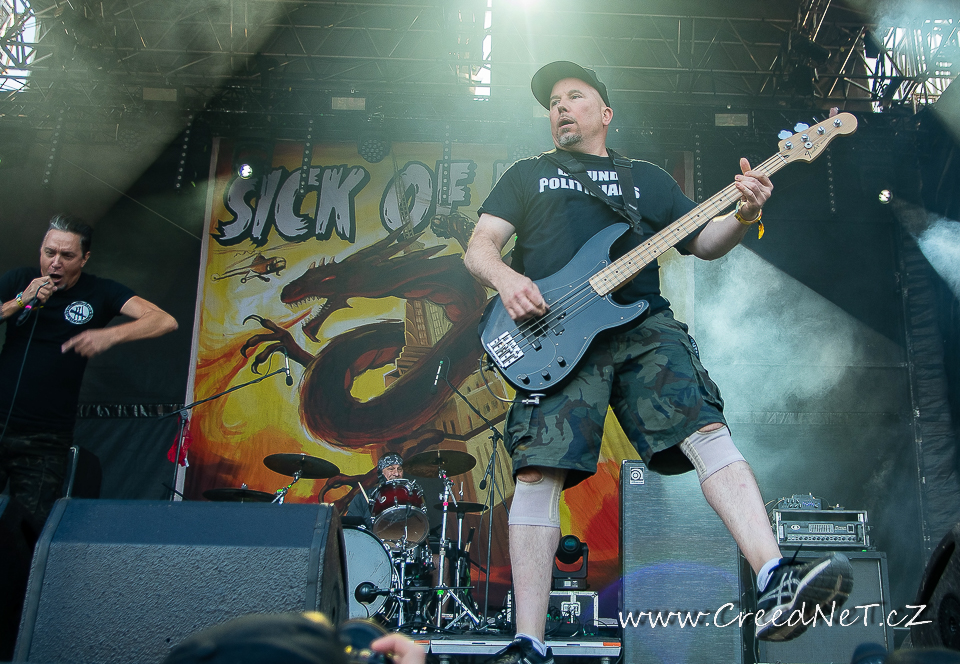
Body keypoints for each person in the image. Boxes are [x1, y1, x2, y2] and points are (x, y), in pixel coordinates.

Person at [463, 61, 854, 663]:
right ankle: (529, 641)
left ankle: (776, 577)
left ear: (604, 113)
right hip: (551, 334)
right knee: (538, 473)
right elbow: (479, 247)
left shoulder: (646, 179)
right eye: (553, 101)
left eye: (574, 96)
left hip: (641, 323)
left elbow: (705, 243)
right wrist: (508, 279)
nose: (560, 106)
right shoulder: (528, 174)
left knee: (707, 431)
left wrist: (745, 213)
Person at [0, 214, 178, 522]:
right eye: (49, 253)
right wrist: (20, 300)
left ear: (84, 258)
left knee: (27, 526)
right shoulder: (20, 280)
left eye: (67, 255)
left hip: (46, 436)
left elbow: (165, 320)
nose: (55, 263)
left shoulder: (99, 292)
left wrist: (111, 335)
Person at [344, 452, 406, 527]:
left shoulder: (410, 496)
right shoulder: (362, 498)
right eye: (391, 469)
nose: (396, 473)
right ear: (381, 473)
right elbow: (352, 528)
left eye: (399, 469)